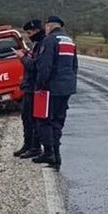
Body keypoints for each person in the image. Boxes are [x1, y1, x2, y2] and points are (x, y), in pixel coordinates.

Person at [33, 15, 78, 170]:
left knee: (44, 120)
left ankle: (49, 153)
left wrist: (40, 85)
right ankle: (57, 155)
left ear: (49, 26)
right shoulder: (69, 41)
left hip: (51, 88)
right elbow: (74, 66)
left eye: (46, 26)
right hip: (67, 88)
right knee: (58, 121)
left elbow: (45, 66)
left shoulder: (50, 41)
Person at [14, 19, 45, 158]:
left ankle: (35, 147)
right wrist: (26, 55)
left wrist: (22, 58)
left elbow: (34, 66)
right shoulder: (36, 45)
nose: (28, 35)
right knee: (26, 118)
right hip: (29, 87)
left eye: (30, 32)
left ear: (37, 31)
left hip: (34, 87)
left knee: (33, 119)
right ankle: (28, 144)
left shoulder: (42, 45)